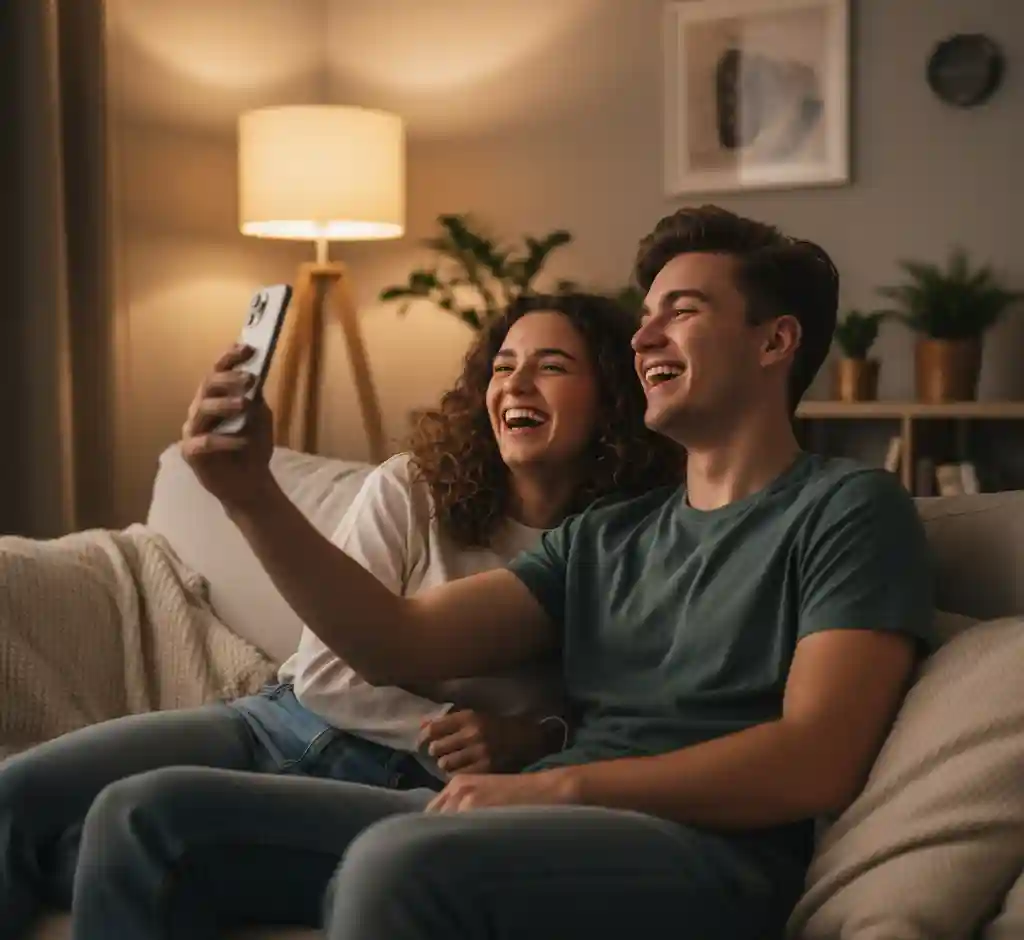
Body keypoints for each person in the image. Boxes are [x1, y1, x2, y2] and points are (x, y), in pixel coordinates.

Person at [68, 206, 934, 940]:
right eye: (645, 315)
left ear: (775, 340)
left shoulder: (849, 509)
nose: (643, 335)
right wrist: (250, 494)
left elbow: (816, 759)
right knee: (142, 816)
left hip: (704, 850)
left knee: (398, 861)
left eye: (682, 310)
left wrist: (556, 786)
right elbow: (391, 639)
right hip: (546, 820)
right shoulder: (607, 536)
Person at [0, 292, 680, 940]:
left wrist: (534, 740)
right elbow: (328, 675)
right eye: (504, 367)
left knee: (132, 825)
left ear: (613, 398)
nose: (517, 385)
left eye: (551, 367)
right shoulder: (413, 487)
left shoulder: (625, 544)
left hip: (416, 791)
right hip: (285, 725)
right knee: (18, 793)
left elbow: (622, 720)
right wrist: (439, 729)